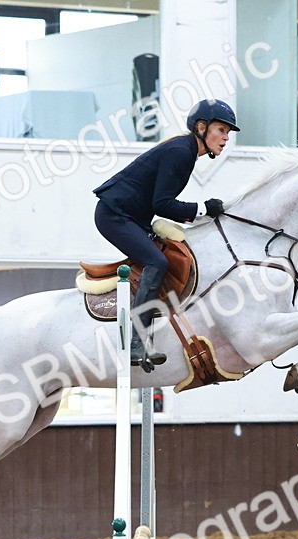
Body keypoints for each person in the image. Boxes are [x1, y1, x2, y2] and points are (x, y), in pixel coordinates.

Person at [92, 98, 239, 366]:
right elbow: (162, 204)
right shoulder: (181, 151)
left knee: (165, 257)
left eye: (228, 133)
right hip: (114, 215)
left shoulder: (186, 151)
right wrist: (203, 208)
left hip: (130, 217)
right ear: (202, 127)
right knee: (156, 261)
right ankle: (135, 344)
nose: (226, 138)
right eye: (222, 130)